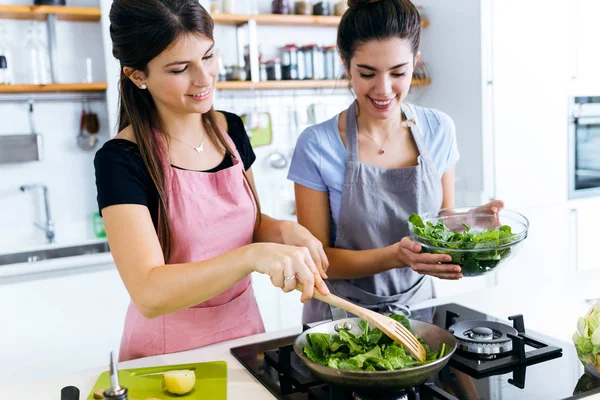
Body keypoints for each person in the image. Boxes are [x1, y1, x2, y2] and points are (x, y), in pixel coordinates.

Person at [94, 0, 329, 362]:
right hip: (167, 354)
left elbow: (250, 225)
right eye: (179, 69)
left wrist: (284, 232)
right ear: (137, 75)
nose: (204, 78)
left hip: (246, 337)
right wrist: (252, 256)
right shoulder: (122, 159)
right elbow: (150, 292)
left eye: (208, 56)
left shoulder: (229, 129)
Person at [288, 0, 503, 324]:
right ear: (346, 64)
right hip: (340, 320)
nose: (384, 89)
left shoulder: (438, 130)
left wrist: (472, 221)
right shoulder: (317, 145)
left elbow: (439, 224)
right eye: (367, 73)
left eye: (398, 72)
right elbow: (318, 261)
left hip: (418, 313)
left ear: (415, 62)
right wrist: (394, 256)